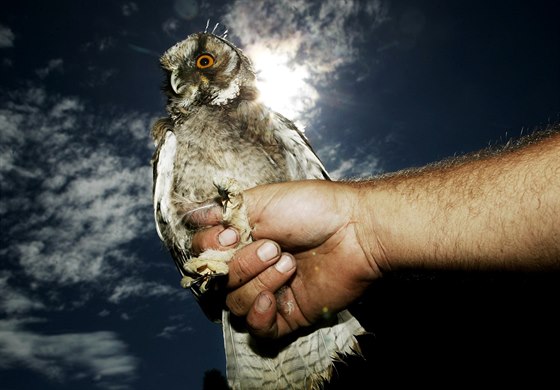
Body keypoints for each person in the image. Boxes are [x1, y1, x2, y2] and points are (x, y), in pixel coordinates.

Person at [187, 127, 560, 340]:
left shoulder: (270, 122)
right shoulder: (175, 141)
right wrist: (358, 230)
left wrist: (357, 228)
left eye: (205, 62)